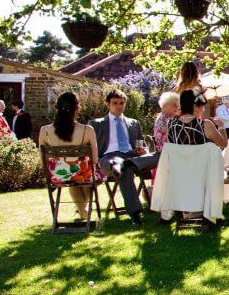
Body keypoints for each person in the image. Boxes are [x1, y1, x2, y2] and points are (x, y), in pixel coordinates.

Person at [88, 89, 160, 226]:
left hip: (131, 156)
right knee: (121, 167)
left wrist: (141, 150)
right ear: (107, 104)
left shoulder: (134, 123)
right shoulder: (96, 124)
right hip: (109, 157)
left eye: (122, 103)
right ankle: (135, 214)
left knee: (159, 155)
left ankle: (128, 164)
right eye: (115, 103)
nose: (119, 106)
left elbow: (142, 146)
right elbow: (91, 148)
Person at [39, 92, 101, 220]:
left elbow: (42, 159)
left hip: (59, 174)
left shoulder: (44, 131)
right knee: (85, 176)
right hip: (82, 174)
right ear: (77, 109)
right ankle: (83, 210)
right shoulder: (87, 130)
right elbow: (95, 160)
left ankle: (81, 210)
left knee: (72, 176)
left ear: (57, 108)